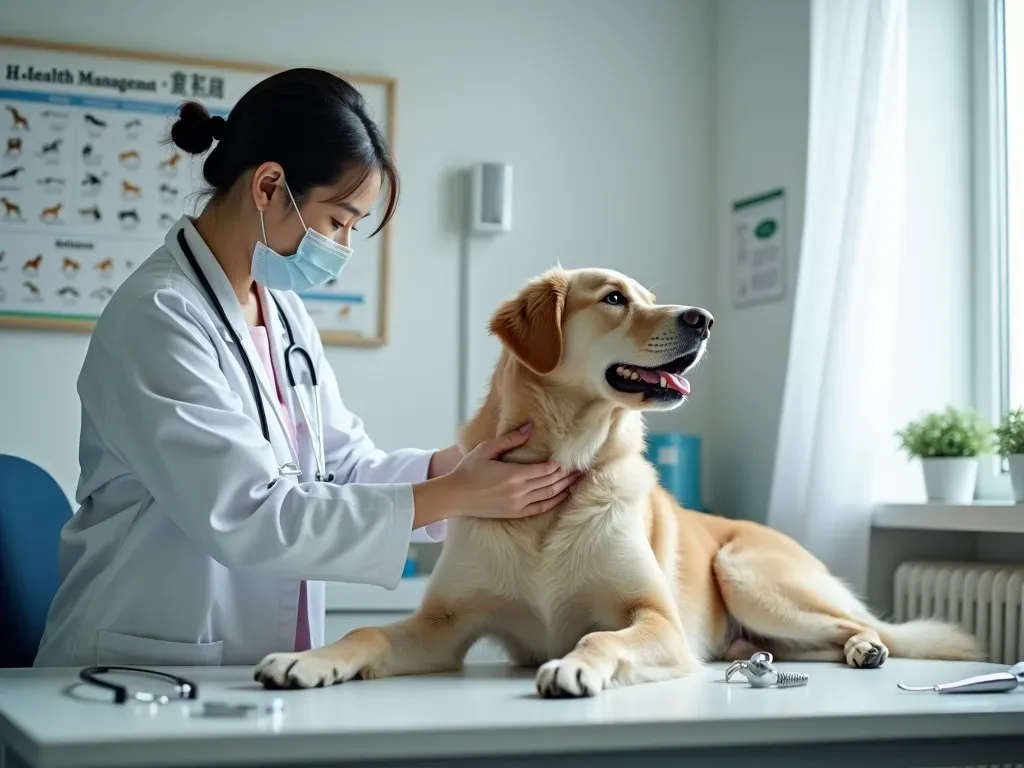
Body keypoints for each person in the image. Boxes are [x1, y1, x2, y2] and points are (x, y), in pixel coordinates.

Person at [33, 68, 578, 668]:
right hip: (140, 663)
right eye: (338, 220)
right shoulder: (160, 315)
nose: (341, 247)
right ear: (268, 186)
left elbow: (340, 466)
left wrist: (461, 469)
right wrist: (452, 494)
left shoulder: (282, 312)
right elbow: (247, 515)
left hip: (245, 664)